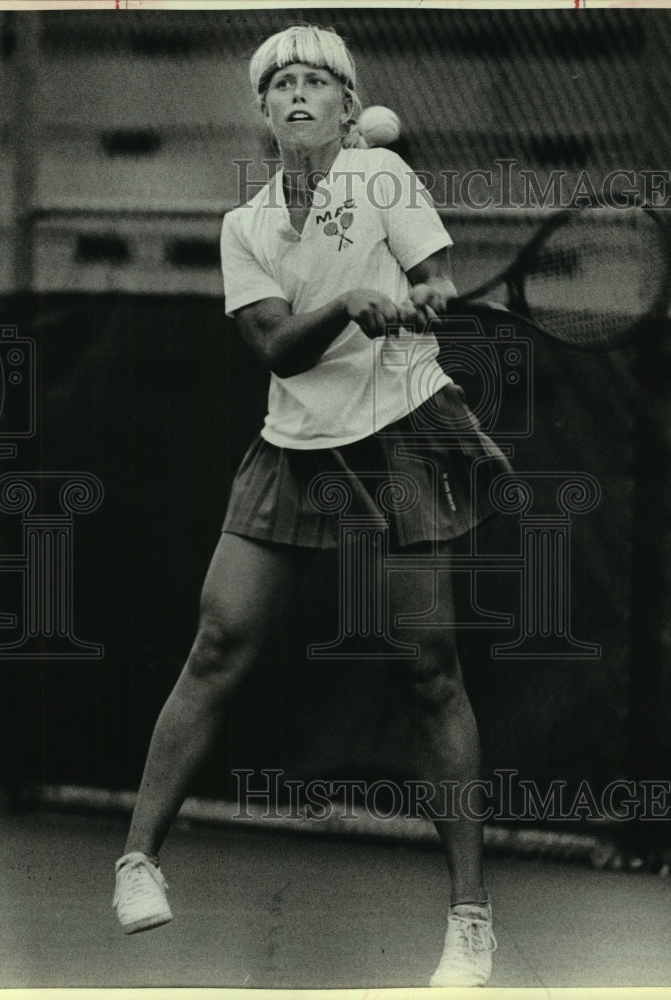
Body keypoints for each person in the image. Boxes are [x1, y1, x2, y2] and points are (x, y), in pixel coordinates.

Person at [112, 24, 509, 989]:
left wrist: (422, 292)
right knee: (217, 644)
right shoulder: (244, 226)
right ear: (262, 112)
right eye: (279, 83)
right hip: (295, 444)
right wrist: (348, 305)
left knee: (430, 669)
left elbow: (433, 278)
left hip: (403, 429)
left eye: (315, 84)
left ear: (345, 105)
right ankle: (136, 861)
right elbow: (279, 349)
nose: (296, 95)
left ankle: (469, 920)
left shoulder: (381, 178)